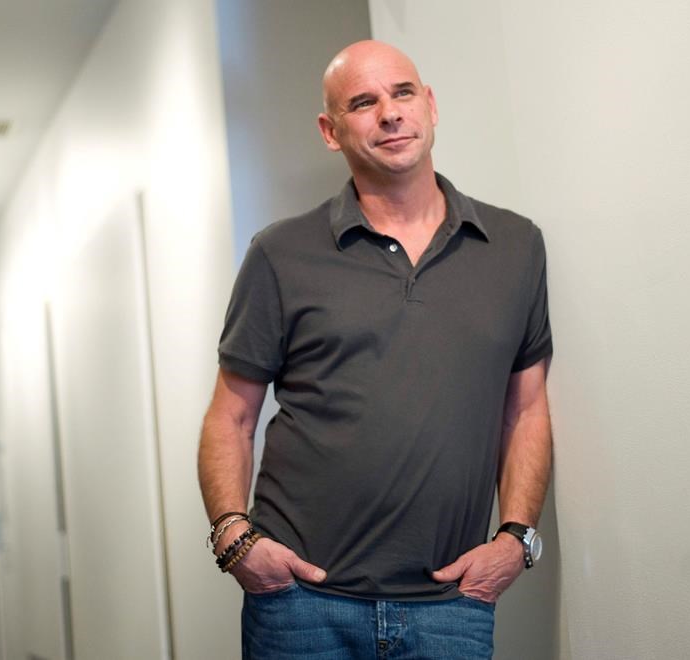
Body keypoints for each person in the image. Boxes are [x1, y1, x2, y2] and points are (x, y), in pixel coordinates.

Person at [198, 39, 553, 659]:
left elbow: (525, 410)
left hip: (451, 607)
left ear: (430, 106)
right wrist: (235, 539)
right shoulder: (281, 254)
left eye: (403, 92)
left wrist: (516, 540)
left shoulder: (515, 247)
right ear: (330, 131)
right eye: (363, 102)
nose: (390, 113)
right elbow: (231, 416)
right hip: (301, 607)